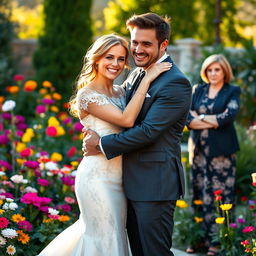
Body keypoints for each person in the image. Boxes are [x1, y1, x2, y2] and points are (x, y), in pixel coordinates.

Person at [38, 34, 171, 256]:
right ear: (97, 59)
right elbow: (127, 120)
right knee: (104, 238)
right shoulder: (87, 94)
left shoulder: (122, 92)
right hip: (97, 179)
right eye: (109, 57)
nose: (116, 64)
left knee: (116, 236)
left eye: (121, 59)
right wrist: (147, 79)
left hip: (122, 178)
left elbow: (138, 127)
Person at [83, 13, 192, 256]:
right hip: (128, 181)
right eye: (134, 42)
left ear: (163, 45)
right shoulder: (137, 74)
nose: (137, 50)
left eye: (146, 44)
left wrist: (101, 144)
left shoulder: (175, 82)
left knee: (155, 252)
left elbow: (148, 131)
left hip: (155, 184)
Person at [186, 54, 241, 256]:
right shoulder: (197, 90)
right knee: (199, 194)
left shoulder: (232, 91)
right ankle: (197, 239)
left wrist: (200, 117)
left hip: (222, 155)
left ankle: (218, 241)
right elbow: (187, 119)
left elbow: (228, 117)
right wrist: (211, 120)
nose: (213, 73)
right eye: (209, 70)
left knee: (220, 196)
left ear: (224, 70)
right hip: (198, 151)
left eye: (217, 69)